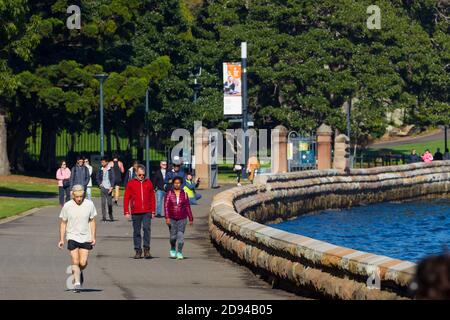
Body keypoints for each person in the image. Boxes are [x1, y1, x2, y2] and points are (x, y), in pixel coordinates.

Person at [58, 184, 97, 293]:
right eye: (77, 197)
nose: (79, 199)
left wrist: (93, 236)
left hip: (85, 236)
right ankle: (77, 283)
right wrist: (61, 239)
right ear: (73, 195)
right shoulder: (67, 206)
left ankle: (78, 271)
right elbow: (63, 223)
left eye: (81, 196)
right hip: (72, 236)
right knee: (75, 260)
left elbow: (92, 221)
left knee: (83, 262)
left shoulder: (89, 204)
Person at [123, 165, 156, 259]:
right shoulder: (131, 183)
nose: (142, 176)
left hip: (147, 211)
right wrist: (126, 211)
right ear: (136, 173)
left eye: (143, 175)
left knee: (146, 229)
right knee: (136, 231)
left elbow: (152, 197)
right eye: (140, 174)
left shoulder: (148, 182)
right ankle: (138, 250)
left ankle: (147, 249)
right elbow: (126, 198)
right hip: (135, 211)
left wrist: (153, 211)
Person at [164, 176, 194, 260]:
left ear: (181, 184)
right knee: (173, 237)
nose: (177, 185)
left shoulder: (184, 194)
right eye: (175, 183)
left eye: (178, 183)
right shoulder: (169, 193)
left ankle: (180, 252)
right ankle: (173, 247)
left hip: (182, 218)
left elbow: (187, 206)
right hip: (172, 218)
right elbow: (166, 206)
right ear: (173, 184)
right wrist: (167, 217)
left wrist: (191, 218)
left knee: (180, 236)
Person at [97, 156, 115, 222]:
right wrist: (99, 184)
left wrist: (111, 187)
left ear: (107, 162)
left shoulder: (110, 169)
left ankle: (111, 216)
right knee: (103, 203)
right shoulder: (100, 169)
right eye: (101, 162)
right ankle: (104, 217)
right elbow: (97, 177)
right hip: (103, 187)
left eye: (103, 162)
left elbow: (113, 178)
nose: (102, 163)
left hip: (109, 187)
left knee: (109, 203)